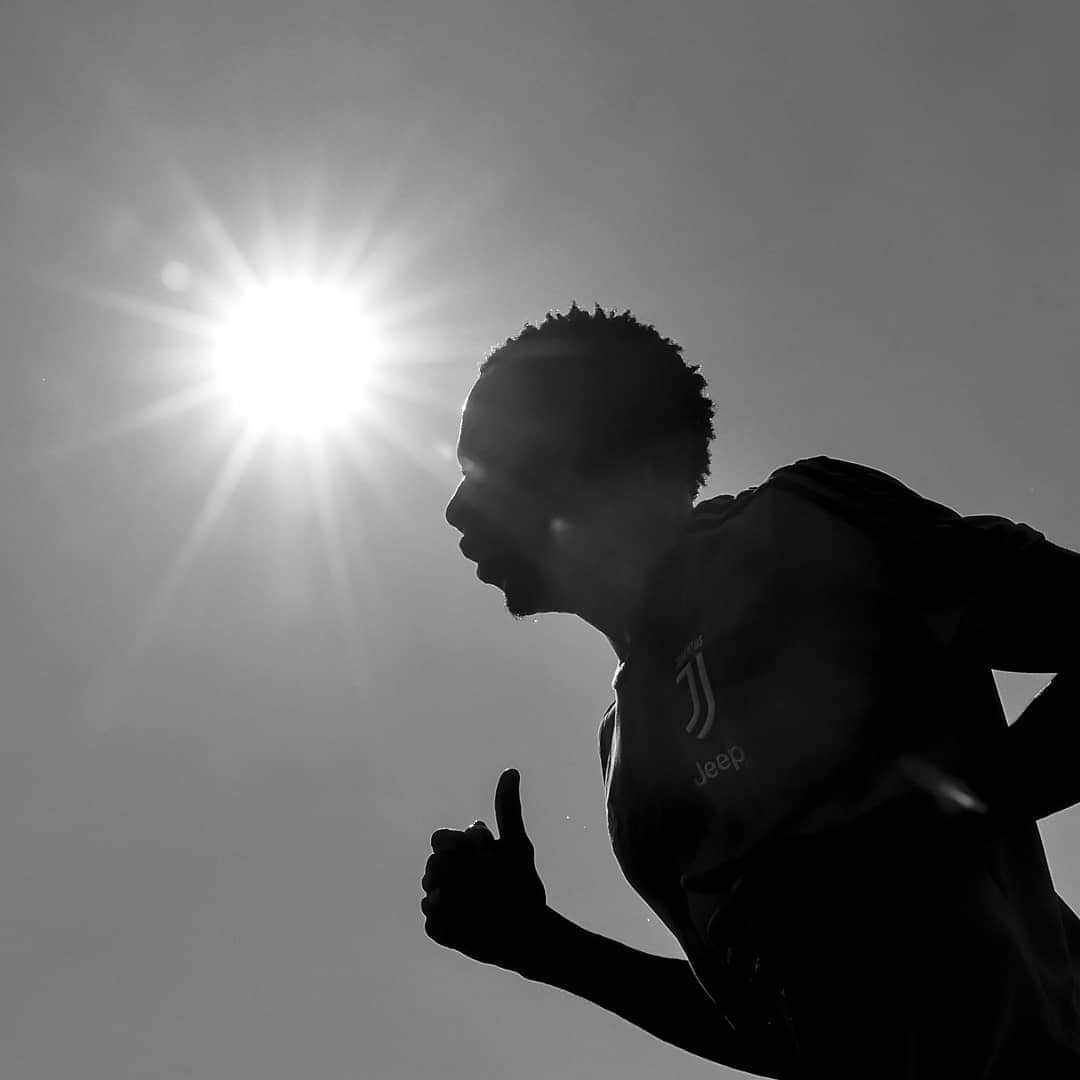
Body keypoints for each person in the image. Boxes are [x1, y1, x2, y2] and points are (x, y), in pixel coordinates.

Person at [420, 304, 1080, 1078]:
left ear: (607, 454)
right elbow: (775, 1032)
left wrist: (928, 833)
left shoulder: (806, 527)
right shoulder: (624, 759)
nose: (457, 509)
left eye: (491, 463)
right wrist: (547, 948)